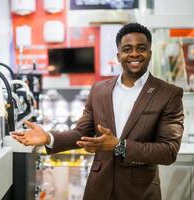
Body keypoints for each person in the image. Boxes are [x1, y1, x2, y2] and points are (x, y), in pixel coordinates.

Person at [12, 23, 184, 200]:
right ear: (119, 55)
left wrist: (119, 145)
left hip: (140, 192)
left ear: (150, 53)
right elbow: (81, 133)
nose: (134, 54)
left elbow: (168, 151)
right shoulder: (99, 90)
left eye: (141, 48)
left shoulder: (168, 94)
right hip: (99, 189)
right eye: (127, 49)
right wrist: (49, 138)